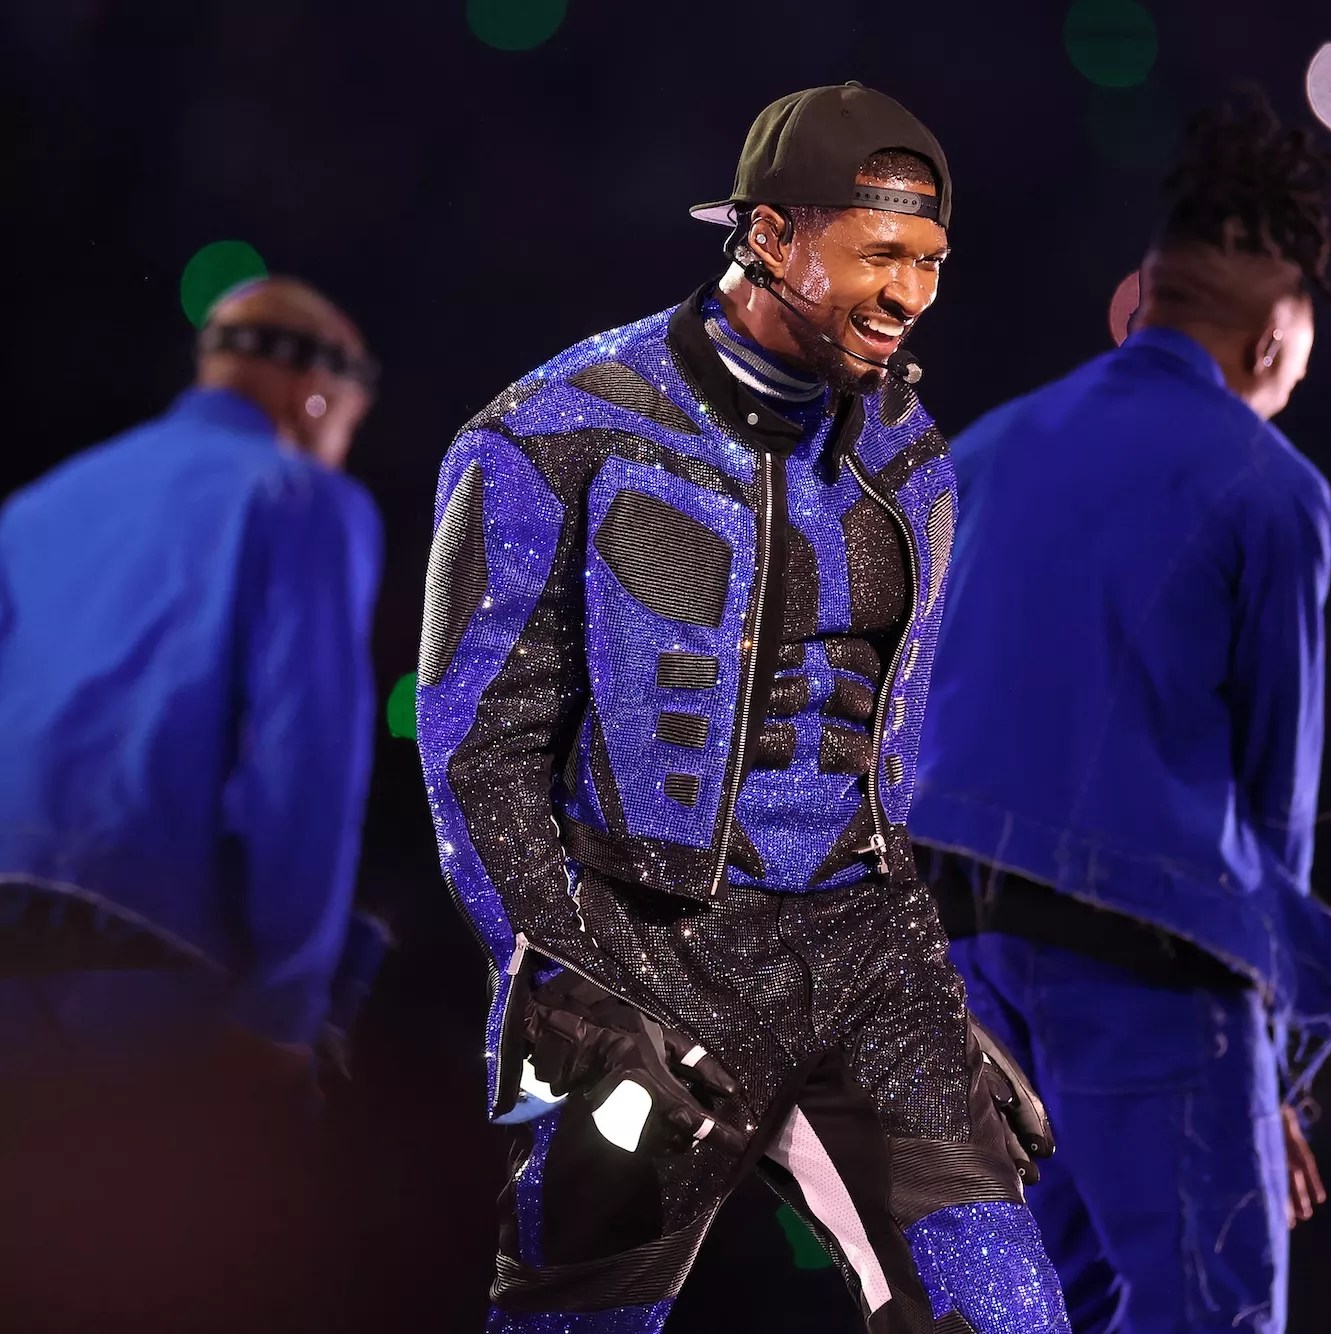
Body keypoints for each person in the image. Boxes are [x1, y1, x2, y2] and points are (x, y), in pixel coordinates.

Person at [415, 83, 1068, 1334]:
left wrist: (930, 987)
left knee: (1008, 1316)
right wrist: (564, 981)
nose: (911, 293)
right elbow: (476, 755)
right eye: (880, 254)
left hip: (870, 962)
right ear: (768, 235)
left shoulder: (907, 451)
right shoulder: (552, 436)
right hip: (643, 953)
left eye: (930, 259)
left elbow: (883, 755)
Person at [911, 90, 1331, 1333]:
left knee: (1032, 1309)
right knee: (1211, 1315)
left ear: (1147, 295)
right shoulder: (1271, 488)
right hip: (1146, 951)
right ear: (1277, 340)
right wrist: (1271, 1066)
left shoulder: (985, 449)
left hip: (956, 949)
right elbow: (1272, 797)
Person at [0, 275, 383, 1329]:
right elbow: (302, 764)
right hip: (152, 962)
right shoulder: (300, 498)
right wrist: (285, 1012)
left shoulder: (42, 503)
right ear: (320, 393)